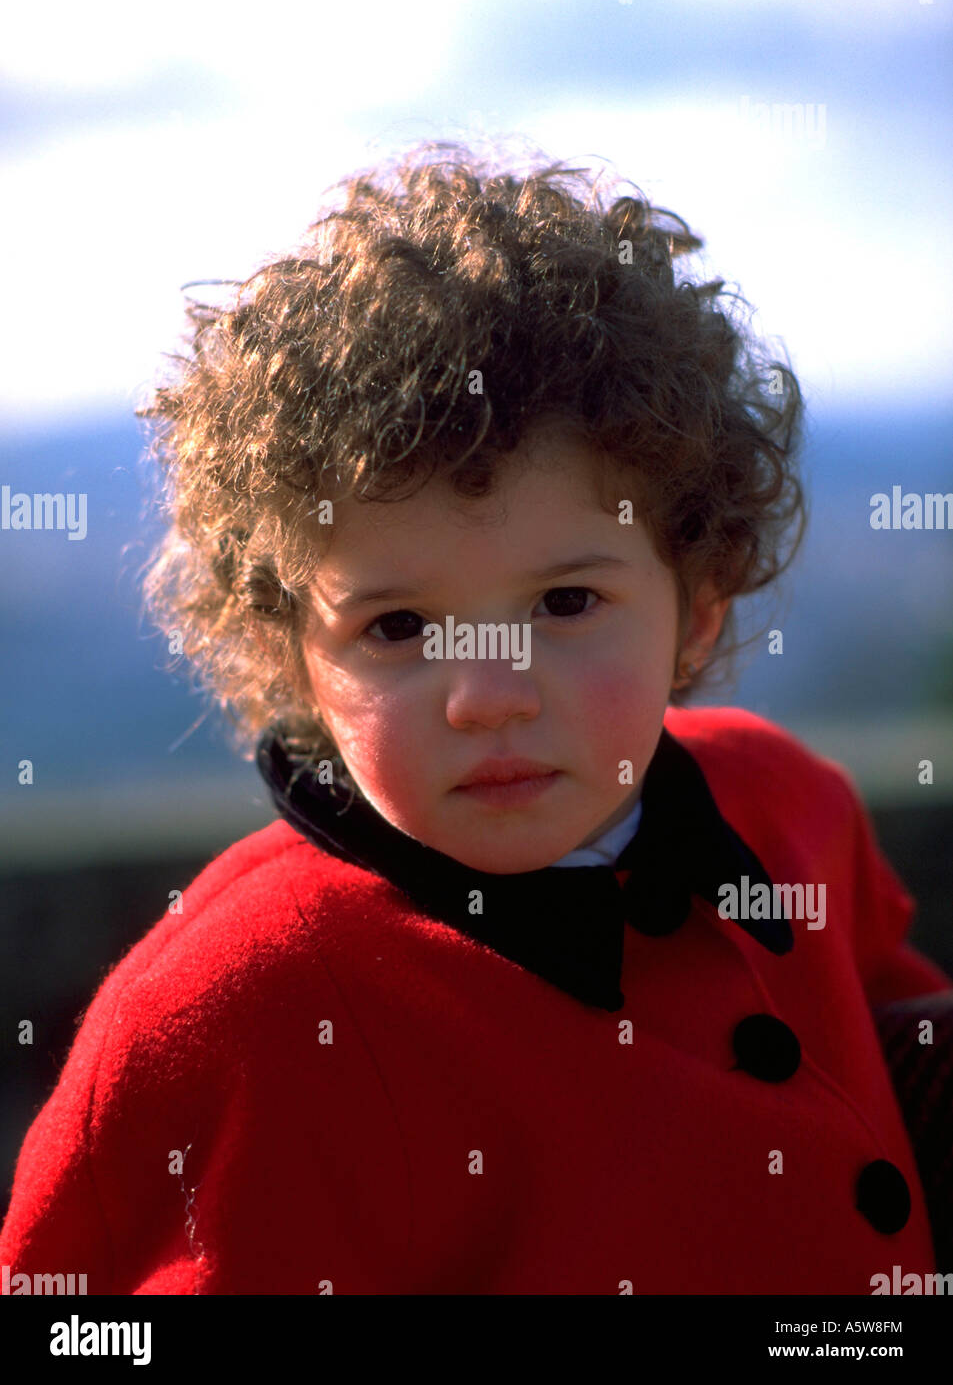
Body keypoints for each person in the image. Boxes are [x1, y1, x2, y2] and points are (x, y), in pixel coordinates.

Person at [2, 141, 950, 1295]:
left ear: (697, 608)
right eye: (397, 629)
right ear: (291, 646)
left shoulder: (787, 804)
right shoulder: (230, 1014)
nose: (488, 692)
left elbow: (886, 1041)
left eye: (563, 602)